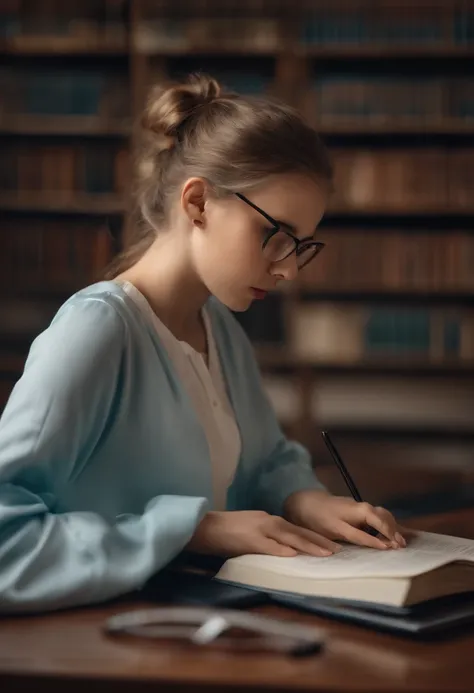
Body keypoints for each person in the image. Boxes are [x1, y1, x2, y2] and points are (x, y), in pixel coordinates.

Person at [0, 73, 405, 614]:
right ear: (197, 204)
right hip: (105, 642)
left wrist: (304, 499)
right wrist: (192, 530)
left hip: (207, 621)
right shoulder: (97, 331)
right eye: (275, 234)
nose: (288, 270)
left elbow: (264, 462)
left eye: (301, 246)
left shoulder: (221, 327)